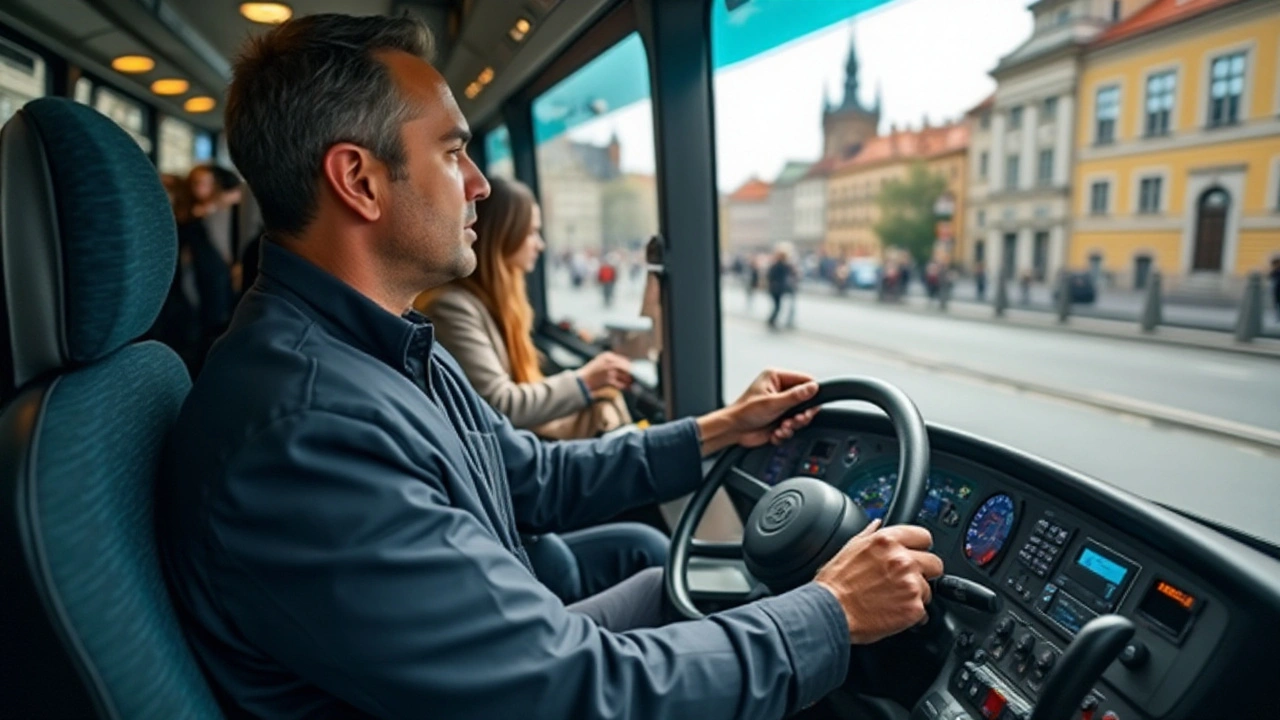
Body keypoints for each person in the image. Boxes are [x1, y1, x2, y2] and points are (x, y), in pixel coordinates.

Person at [159, 14, 942, 720]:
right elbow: (565, 692)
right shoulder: (306, 431)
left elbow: (530, 477)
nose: (479, 185)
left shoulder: (375, 344)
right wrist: (830, 615)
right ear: (359, 180)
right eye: (454, 152)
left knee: (668, 581)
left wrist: (718, 428)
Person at [416, 176, 661, 604]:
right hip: (514, 494)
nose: (540, 244)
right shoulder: (454, 308)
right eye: (531, 232)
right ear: (502, 237)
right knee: (646, 539)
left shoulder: (496, 304)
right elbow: (500, 403)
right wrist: (587, 382)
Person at [767, 244, 797, 329]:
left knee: (777, 306)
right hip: (777, 289)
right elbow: (792, 273)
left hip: (776, 289)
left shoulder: (776, 265)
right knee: (778, 306)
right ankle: (771, 320)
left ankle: (772, 320)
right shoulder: (781, 266)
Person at [1270, 257, 1280, 323]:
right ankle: (1277, 318)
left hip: (1278, 290)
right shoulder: (1274, 272)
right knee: (1276, 304)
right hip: (1276, 291)